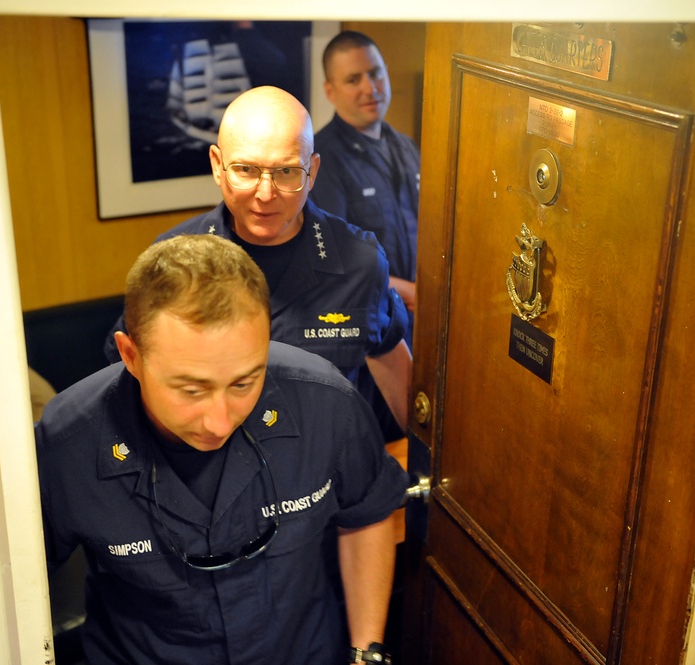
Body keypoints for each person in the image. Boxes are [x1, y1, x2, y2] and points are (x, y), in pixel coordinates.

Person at [38, 233, 407, 664]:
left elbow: (367, 512)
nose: (220, 421)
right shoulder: (67, 442)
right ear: (130, 356)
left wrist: (366, 653)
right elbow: (12, 588)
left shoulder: (326, 402)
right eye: (191, 389)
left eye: (244, 383)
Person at [105, 85, 412, 438]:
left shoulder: (360, 262)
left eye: (286, 172)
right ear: (217, 167)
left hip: (321, 474)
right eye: (246, 170)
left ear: (312, 171)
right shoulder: (171, 262)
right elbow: (128, 382)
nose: (265, 195)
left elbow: (395, 370)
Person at [310, 30, 420, 345]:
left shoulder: (406, 147)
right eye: (353, 80)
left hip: (419, 319)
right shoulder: (322, 160)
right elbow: (334, 261)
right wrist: (408, 291)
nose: (369, 88)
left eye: (375, 74)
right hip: (369, 328)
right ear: (330, 91)